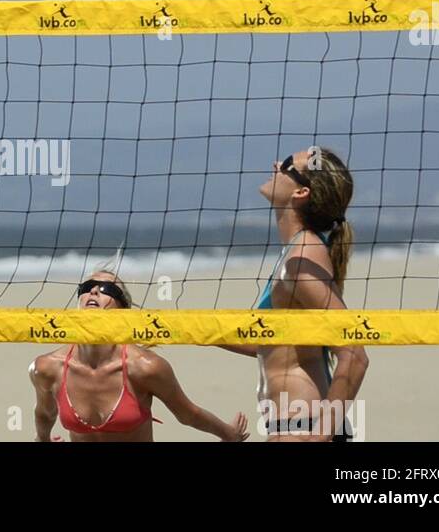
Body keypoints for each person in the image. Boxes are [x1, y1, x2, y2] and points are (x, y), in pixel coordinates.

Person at [221, 147, 368, 441]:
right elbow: (274, 343)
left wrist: (321, 436)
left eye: (287, 164)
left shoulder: (301, 260)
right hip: (293, 424)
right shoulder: (297, 253)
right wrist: (192, 333)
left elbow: (354, 353)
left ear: (301, 192)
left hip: (302, 427)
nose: (276, 163)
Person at [30, 269, 248, 442]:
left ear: (123, 311)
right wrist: (43, 439)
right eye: (87, 287)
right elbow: (45, 413)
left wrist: (228, 434)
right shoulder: (47, 367)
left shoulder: (145, 367)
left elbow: (187, 414)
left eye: (107, 288)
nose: (94, 291)